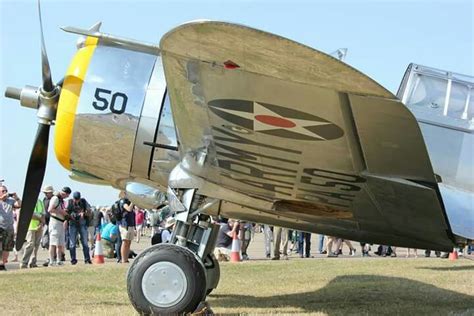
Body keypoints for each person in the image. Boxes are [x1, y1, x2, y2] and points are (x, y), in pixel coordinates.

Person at [66, 191, 92, 265]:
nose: (76, 200)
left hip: (82, 224)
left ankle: (87, 259)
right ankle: (73, 260)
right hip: (72, 224)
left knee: (85, 242)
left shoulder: (84, 201)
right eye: (75, 199)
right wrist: (71, 215)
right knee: (72, 243)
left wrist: (83, 213)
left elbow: (90, 212)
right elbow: (65, 211)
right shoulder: (70, 202)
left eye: (78, 199)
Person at [48, 187, 71, 267]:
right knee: (53, 243)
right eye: (67, 195)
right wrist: (62, 213)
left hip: (60, 223)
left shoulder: (60, 200)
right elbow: (50, 210)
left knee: (60, 243)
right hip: (55, 222)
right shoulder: (55, 198)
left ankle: (59, 260)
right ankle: (51, 261)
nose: (67, 197)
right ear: (64, 193)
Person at [0, 185, 21, 271]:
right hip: (0, 226)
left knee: (7, 247)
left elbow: (19, 205)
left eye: (6, 191)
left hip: (9, 227)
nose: (5, 192)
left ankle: (2, 264)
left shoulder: (10, 201)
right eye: (3, 191)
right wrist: (1, 198)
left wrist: (16, 197)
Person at [20, 199, 45, 268]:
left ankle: (33, 262)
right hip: (30, 226)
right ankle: (24, 262)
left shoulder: (40, 202)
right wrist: (40, 218)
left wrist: (41, 223)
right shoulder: (28, 201)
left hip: (39, 227)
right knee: (30, 244)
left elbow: (43, 214)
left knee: (36, 245)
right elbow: (29, 214)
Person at [118, 192, 134, 263]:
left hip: (130, 224)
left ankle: (126, 258)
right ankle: (123, 259)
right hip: (125, 224)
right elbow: (129, 209)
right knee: (125, 242)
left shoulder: (128, 201)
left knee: (129, 242)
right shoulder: (123, 201)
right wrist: (133, 202)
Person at [41, 185, 55, 266]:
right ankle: (52, 256)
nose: (45, 194)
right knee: (45, 241)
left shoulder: (55, 199)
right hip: (46, 222)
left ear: (51, 192)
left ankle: (51, 258)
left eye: (47, 193)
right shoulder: (44, 199)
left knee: (53, 241)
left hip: (53, 222)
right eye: (45, 193)